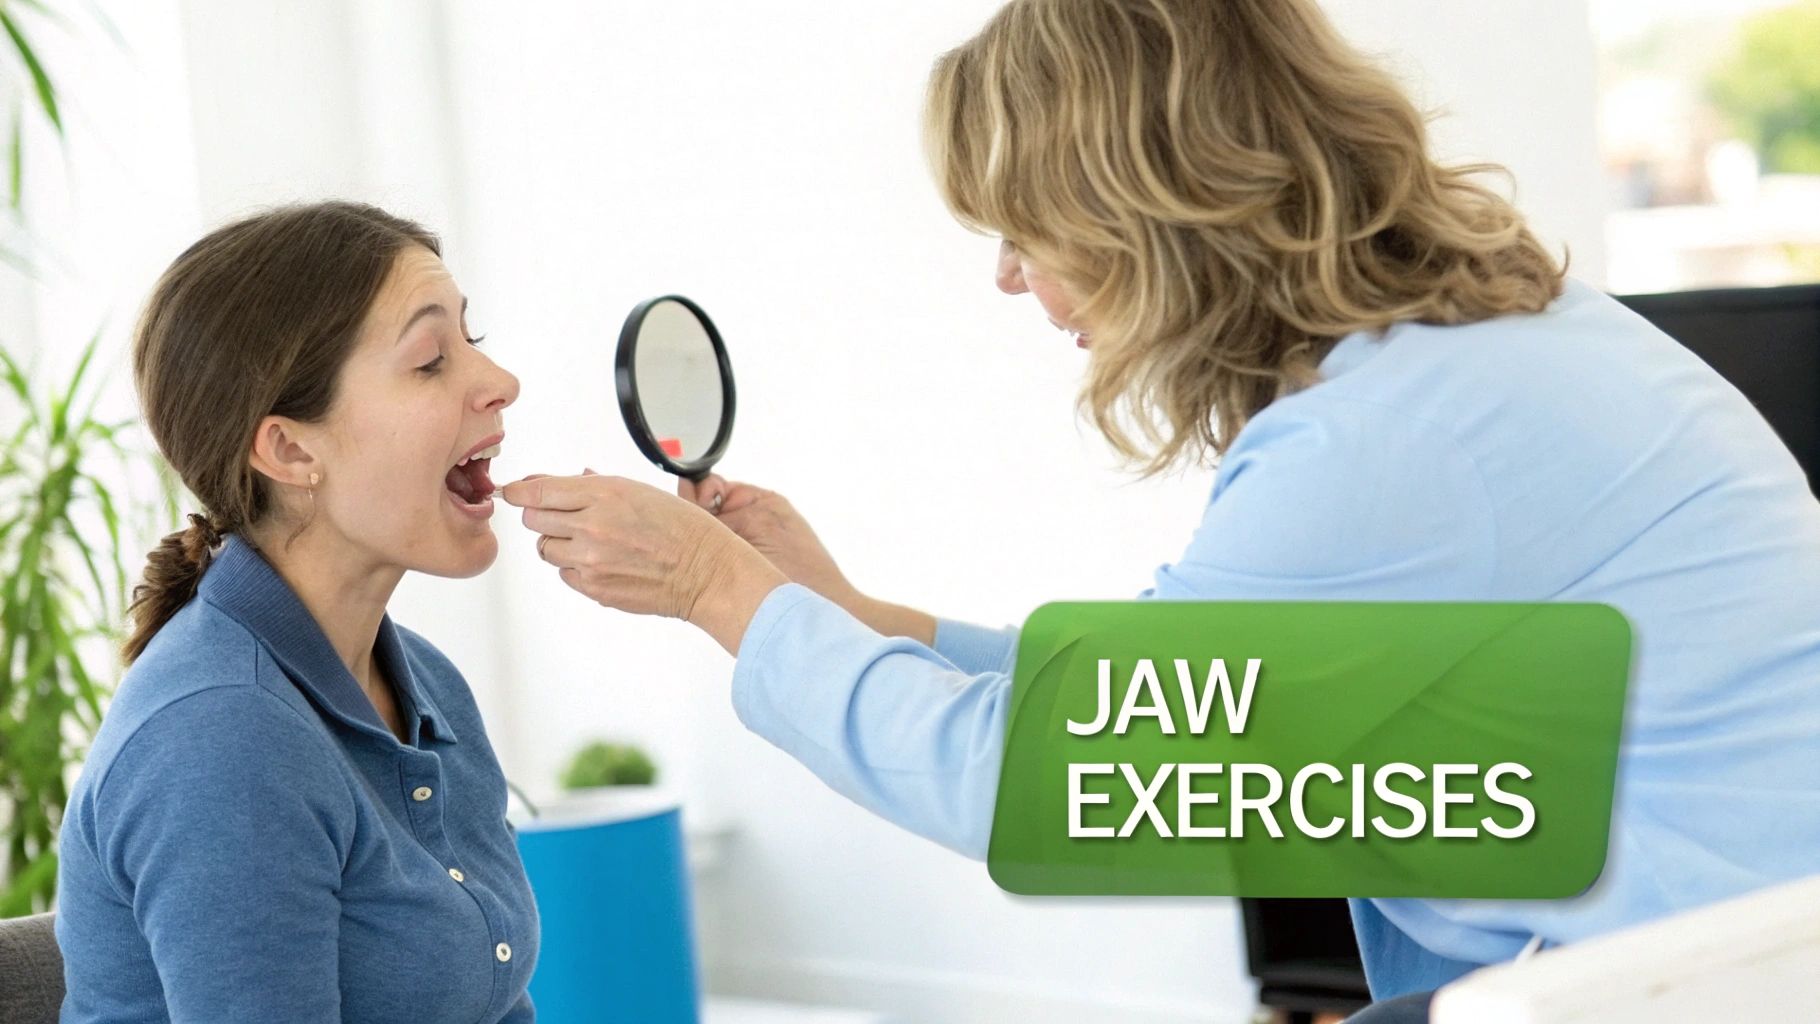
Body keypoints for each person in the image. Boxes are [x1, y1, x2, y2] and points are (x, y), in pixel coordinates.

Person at [501, 0, 1820, 1018]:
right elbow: (1160, 695)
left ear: (1137, 210)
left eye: (1022, 230)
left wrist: (720, 591)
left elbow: (1049, 782)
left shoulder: (1376, 442)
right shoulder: (1467, 352)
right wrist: (845, 612)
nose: (1007, 279)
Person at [57, 202, 539, 1022]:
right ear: (288, 449)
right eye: (431, 361)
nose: (501, 382)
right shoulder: (222, 738)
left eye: (472, 339)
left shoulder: (428, 685)